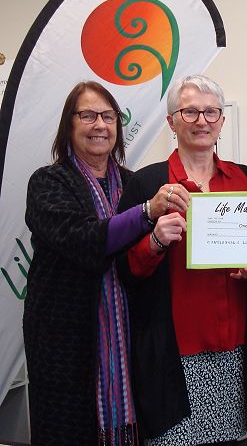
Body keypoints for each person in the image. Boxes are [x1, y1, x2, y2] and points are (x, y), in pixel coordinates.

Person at [117, 74, 247, 445]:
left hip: (233, 345)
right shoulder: (145, 184)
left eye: (210, 112)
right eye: (190, 112)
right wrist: (155, 241)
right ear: (172, 122)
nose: (202, 120)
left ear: (221, 120)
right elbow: (125, 270)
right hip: (172, 350)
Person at [24, 81, 173, 445]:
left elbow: (142, 259)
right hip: (65, 344)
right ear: (69, 124)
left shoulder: (133, 183)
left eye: (108, 116)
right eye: (88, 115)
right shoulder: (47, 183)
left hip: (130, 340)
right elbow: (85, 239)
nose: (100, 125)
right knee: (68, 433)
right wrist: (146, 213)